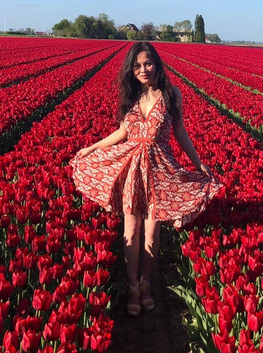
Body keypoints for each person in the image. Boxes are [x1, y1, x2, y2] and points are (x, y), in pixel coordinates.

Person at [70, 42, 223, 317]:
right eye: (137, 65)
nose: (143, 70)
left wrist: (198, 162)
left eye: (148, 63)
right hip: (132, 166)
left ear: (157, 64)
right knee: (132, 229)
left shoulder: (171, 94)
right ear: (132, 69)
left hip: (159, 168)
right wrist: (93, 147)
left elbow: (180, 132)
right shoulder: (131, 97)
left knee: (152, 231)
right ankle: (132, 286)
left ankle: (146, 283)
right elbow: (121, 133)